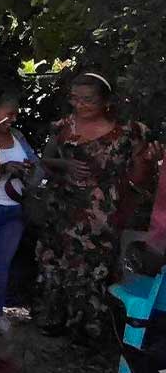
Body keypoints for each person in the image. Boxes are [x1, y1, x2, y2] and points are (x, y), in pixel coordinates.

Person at [35, 73, 162, 339]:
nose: (80, 104)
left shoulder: (129, 133)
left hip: (102, 212)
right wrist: (65, 165)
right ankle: (55, 317)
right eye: (75, 98)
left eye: (88, 100)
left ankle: (85, 328)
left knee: (93, 267)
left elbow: (141, 177)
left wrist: (147, 163)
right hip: (62, 208)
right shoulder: (63, 127)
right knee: (57, 262)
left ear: (105, 101)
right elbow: (46, 160)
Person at [0, 91, 41, 335]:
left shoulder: (18, 137)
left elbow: (37, 173)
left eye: (16, 113)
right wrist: (3, 169)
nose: (13, 118)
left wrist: (29, 170)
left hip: (13, 212)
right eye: (8, 114)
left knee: (1, 265)